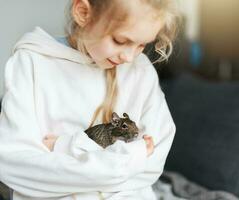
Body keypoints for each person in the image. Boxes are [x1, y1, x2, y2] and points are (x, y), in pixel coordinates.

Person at [0, 0, 180, 199]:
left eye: (142, 45)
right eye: (120, 41)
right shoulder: (32, 63)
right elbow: (16, 165)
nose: (129, 57)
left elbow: (151, 164)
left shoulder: (141, 70)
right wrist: (125, 162)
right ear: (83, 12)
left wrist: (65, 147)